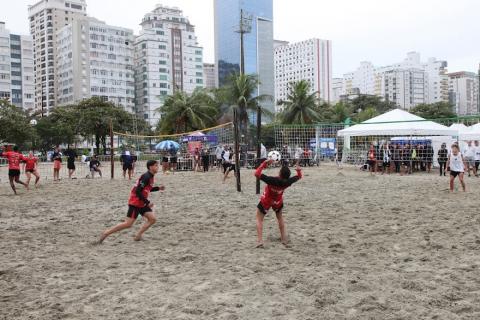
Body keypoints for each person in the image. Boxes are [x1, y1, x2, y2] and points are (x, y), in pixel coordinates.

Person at [97, 160, 164, 243]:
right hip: (135, 202)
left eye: (157, 165)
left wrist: (158, 188)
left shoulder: (150, 176)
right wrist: (147, 202)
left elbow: (147, 189)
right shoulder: (146, 176)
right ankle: (106, 233)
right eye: (156, 165)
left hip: (142, 203)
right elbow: (138, 191)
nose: (158, 167)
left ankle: (138, 236)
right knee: (128, 224)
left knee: (152, 219)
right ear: (150, 167)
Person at [254, 159, 303, 248]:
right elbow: (299, 177)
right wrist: (298, 170)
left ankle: (260, 241)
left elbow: (257, 174)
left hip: (267, 200)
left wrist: (264, 163)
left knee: (259, 218)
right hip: (278, 201)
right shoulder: (288, 182)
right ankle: (283, 239)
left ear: (279, 173)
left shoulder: (272, 180)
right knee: (280, 217)